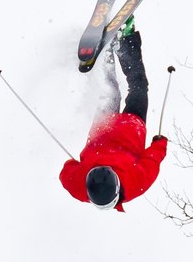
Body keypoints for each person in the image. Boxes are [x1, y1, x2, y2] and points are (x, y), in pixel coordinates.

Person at [59, 19, 168, 212]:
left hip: (121, 127)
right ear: (118, 185)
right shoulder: (134, 183)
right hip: (114, 128)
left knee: (124, 88)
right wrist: (159, 143)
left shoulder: (136, 182)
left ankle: (112, 48)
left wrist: (159, 143)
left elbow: (154, 158)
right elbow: (67, 170)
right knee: (125, 88)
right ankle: (116, 45)